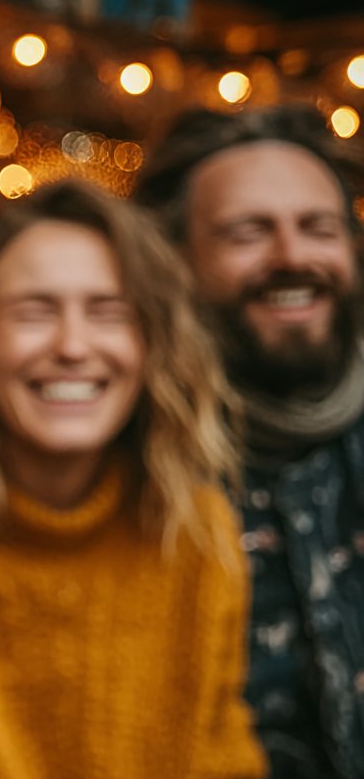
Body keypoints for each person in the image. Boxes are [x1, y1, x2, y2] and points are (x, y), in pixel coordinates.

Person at [0, 179, 264, 778]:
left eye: (109, 313)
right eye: (34, 312)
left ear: (149, 345)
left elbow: (223, 757)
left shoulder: (196, 533)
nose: (73, 346)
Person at [134, 106, 364, 779]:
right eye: (247, 233)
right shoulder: (130, 467)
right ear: (174, 261)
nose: (292, 257)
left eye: (318, 227)